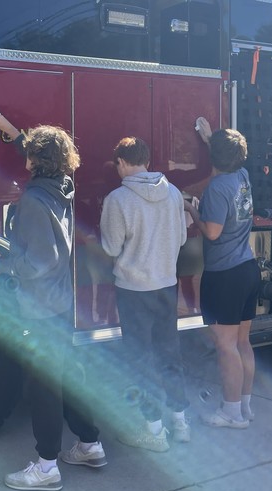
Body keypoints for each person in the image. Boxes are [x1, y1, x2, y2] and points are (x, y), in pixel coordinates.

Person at [0, 106, 106, 491]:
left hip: (40, 306)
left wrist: (0, 266)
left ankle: (47, 466)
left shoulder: (34, 199)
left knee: (44, 387)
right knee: (65, 376)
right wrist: (9, 130)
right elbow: (45, 157)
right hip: (62, 301)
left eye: (30, 153)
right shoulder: (64, 185)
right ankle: (89, 443)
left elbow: (38, 259)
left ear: (36, 161)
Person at [99, 137, 191, 452]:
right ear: (147, 161)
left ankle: (153, 431)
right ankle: (180, 423)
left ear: (122, 163)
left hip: (133, 290)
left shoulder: (118, 198)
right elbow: (180, 239)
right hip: (166, 284)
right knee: (169, 354)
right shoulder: (174, 193)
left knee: (139, 360)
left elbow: (111, 247)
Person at [184, 124, 258, 429]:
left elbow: (212, 232)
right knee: (242, 342)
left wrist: (191, 209)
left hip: (224, 274)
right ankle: (245, 406)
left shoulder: (216, 189)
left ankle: (231, 413)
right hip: (247, 268)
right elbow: (226, 164)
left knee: (225, 346)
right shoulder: (242, 177)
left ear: (213, 156)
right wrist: (213, 139)